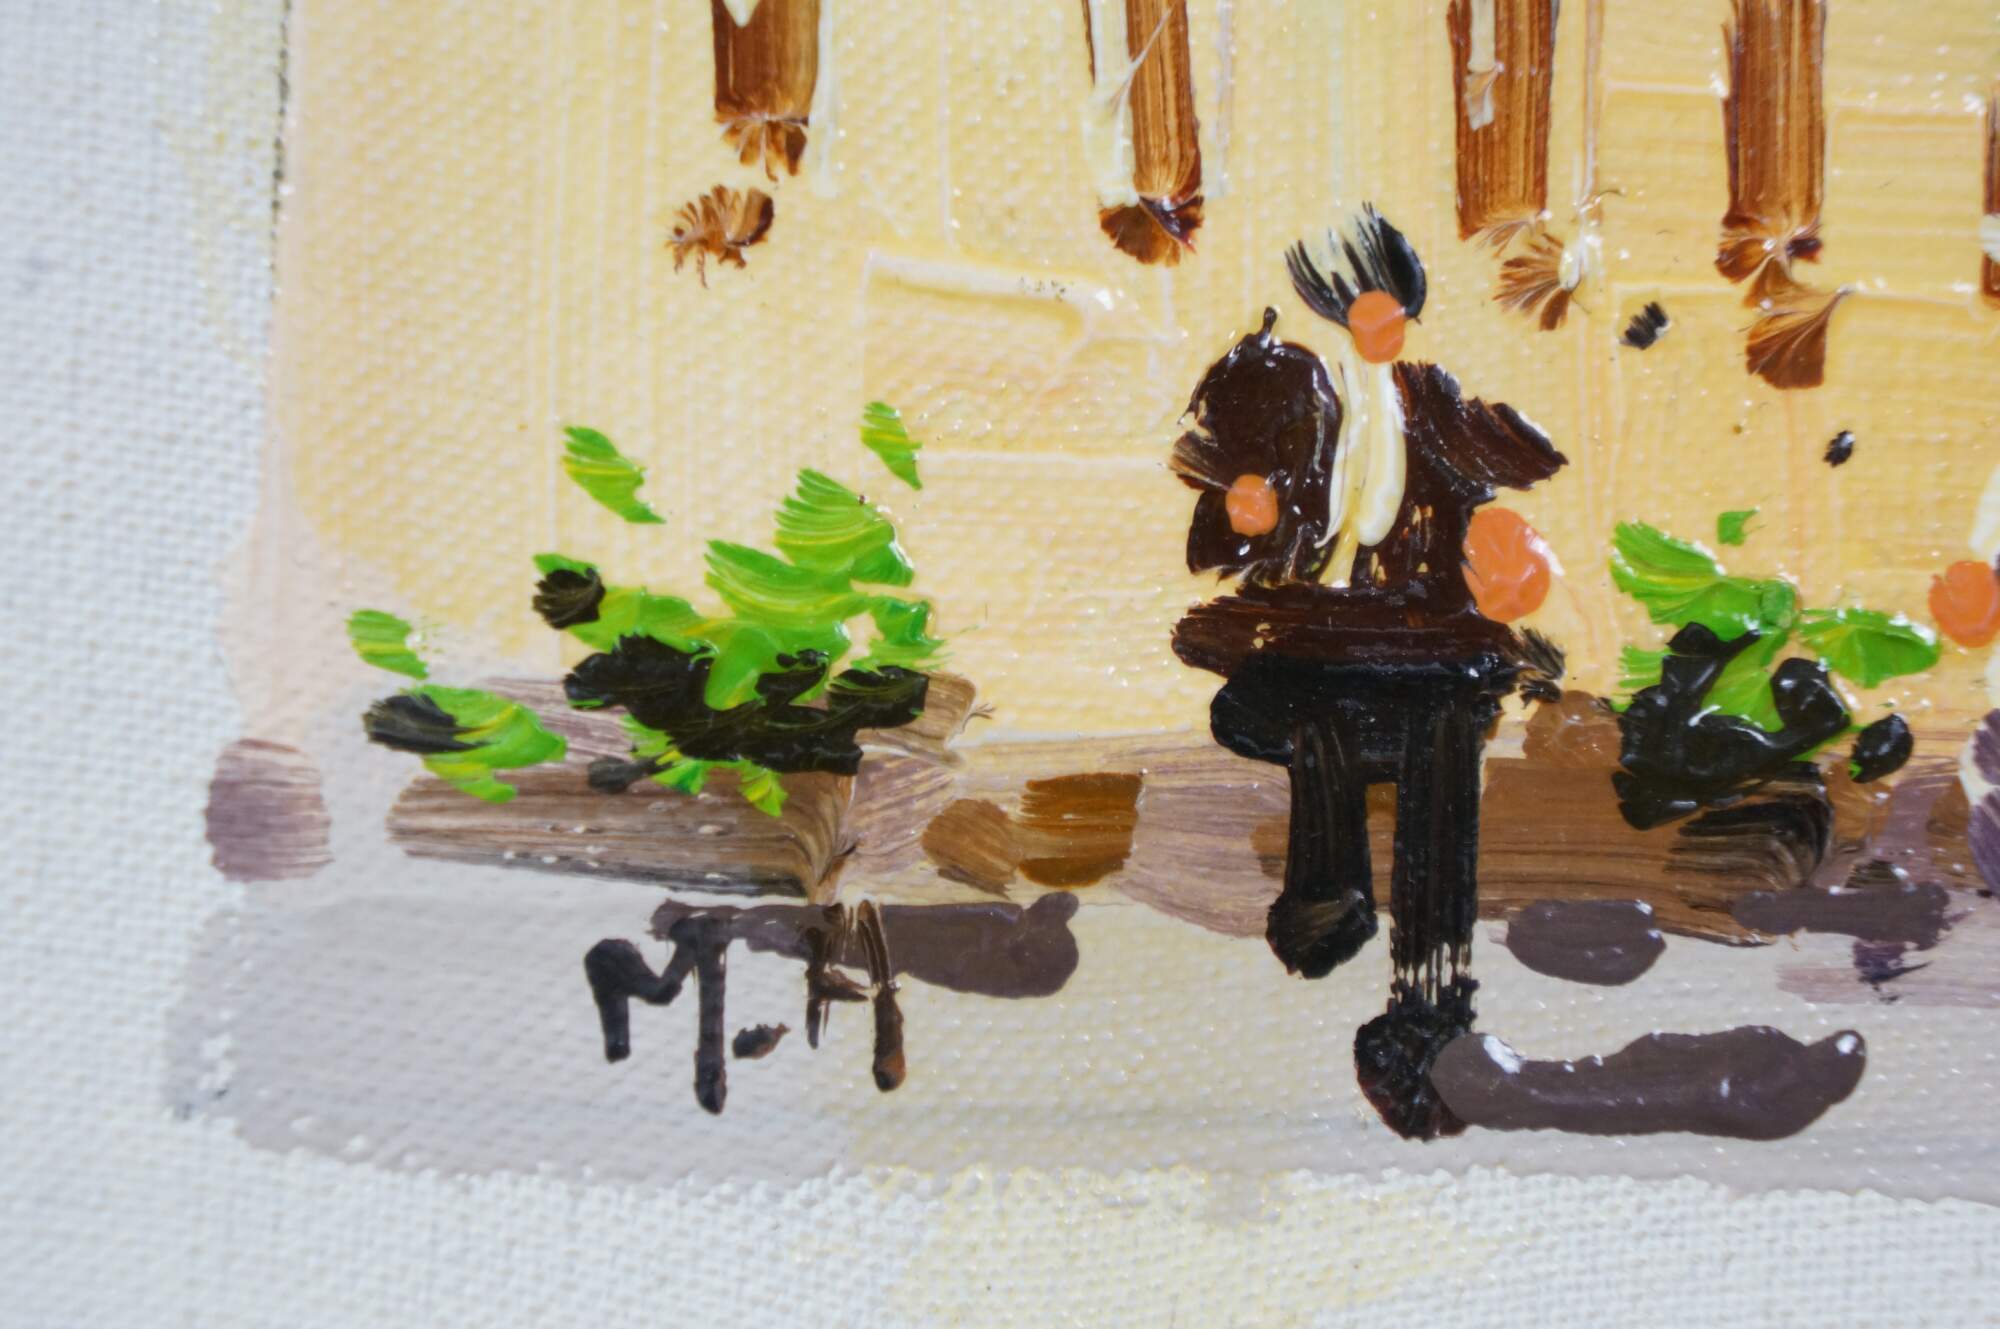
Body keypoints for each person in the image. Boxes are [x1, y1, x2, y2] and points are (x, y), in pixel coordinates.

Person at [1169, 207, 1567, 1137]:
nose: (1382, 321)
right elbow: (1215, 532)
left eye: (1394, 306)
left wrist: (1504, 541)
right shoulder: (1290, 394)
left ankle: (1425, 1000)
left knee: (1442, 723)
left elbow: (1503, 475)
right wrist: (1246, 513)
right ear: (1336, 304)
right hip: (1312, 642)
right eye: (1365, 303)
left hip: (1419, 646)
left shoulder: (1430, 400)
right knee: (1333, 706)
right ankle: (1337, 900)